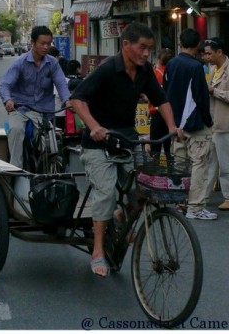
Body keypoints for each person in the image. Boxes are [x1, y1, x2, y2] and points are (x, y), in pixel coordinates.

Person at [70, 22, 180, 277]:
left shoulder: (145, 72)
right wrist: (95, 126)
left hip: (128, 140)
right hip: (98, 144)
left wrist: (173, 126)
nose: (145, 53)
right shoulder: (108, 69)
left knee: (142, 191)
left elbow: (161, 99)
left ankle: (121, 219)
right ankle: (98, 251)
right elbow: (77, 98)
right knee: (106, 193)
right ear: (126, 45)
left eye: (149, 49)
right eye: (142, 47)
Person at [0, 26, 72, 169]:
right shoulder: (20, 62)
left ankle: (50, 168)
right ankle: (15, 170)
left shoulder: (53, 63)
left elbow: (61, 83)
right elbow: (4, 85)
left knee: (51, 141)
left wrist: (67, 100)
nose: (46, 47)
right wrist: (8, 100)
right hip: (20, 109)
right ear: (32, 42)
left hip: (43, 111)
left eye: (48, 44)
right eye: (42, 43)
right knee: (16, 130)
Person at [164, 28, 215, 220]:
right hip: (194, 124)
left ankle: (180, 203)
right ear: (197, 45)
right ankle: (195, 207)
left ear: (180, 43)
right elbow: (200, 97)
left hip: (175, 125)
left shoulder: (171, 64)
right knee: (199, 165)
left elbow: (165, 92)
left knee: (179, 165)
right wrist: (208, 121)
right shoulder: (196, 67)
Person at [203, 38, 229, 211]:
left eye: (209, 53)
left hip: (227, 125)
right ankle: (202, 196)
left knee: (228, 164)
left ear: (219, 52)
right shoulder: (214, 69)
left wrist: (215, 91)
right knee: (208, 163)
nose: (206, 56)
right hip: (214, 124)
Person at [148, 48, 174, 159]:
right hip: (170, 113)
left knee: (155, 145)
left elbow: (149, 93)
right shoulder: (173, 73)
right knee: (168, 145)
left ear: (158, 59)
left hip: (156, 112)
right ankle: (170, 171)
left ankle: (155, 173)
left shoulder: (155, 73)